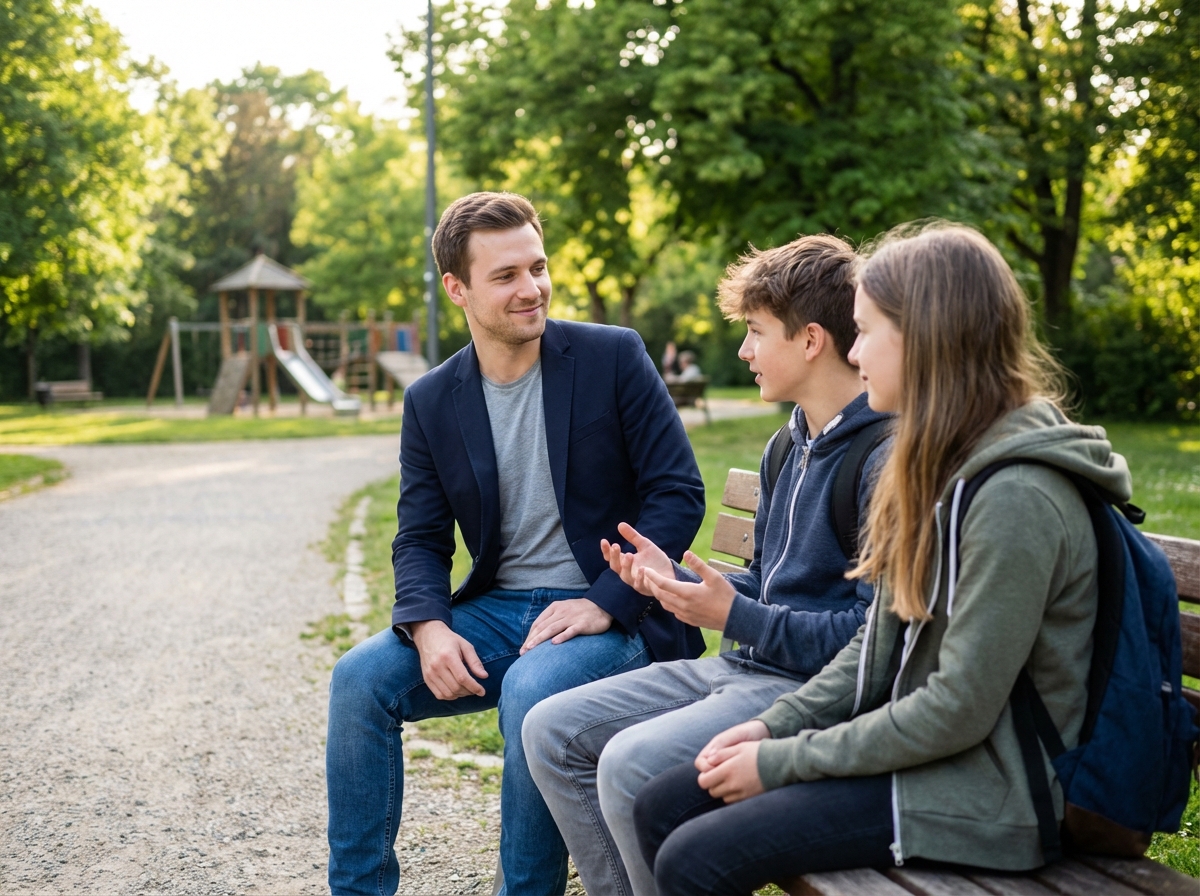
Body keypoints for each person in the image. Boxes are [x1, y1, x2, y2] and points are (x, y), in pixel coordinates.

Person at [630, 222, 1129, 895]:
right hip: (920, 754)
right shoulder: (934, 465)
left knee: (694, 858)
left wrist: (784, 759)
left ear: (926, 339)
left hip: (990, 792)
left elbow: (957, 708)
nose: (853, 353)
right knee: (661, 806)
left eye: (866, 332)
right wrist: (769, 725)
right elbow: (880, 642)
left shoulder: (1016, 495)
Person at [324, 192, 706, 896]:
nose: (531, 288)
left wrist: (605, 600)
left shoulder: (612, 356)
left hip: (611, 616)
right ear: (457, 288)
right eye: (505, 276)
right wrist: (430, 627)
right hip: (501, 611)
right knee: (358, 682)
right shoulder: (433, 400)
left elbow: (677, 492)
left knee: (533, 693)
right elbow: (419, 537)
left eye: (537, 267)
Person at [523, 234, 891, 896]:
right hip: (743, 667)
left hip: (804, 691)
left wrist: (736, 612)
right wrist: (676, 585)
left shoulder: (882, 460)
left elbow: (875, 640)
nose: (745, 351)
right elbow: (771, 583)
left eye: (755, 333)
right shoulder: (791, 442)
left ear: (810, 341)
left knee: (628, 764)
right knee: (550, 728)